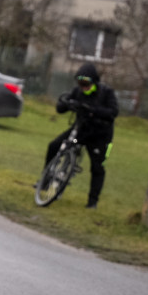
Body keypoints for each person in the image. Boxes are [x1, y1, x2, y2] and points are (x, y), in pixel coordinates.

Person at [44, 63, 118, 209]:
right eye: (80, 83)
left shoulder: (107, 93)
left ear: (94, 82)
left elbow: (113, 113)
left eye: (86, 83)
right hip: (80, 130)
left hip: (100, 136)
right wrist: (66, 103)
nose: (83, 86)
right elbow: (60, 109)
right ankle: (45, 180)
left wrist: (93, 110)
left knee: (97, 167)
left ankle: (92, 202)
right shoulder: (77, 91)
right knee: (54, 145)